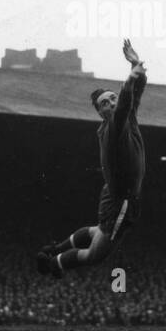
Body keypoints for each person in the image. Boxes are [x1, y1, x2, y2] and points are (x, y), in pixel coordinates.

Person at [37, 39, 147, 277]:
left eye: (112, 98)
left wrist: (136, 66)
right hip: (122, 200)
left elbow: (135, 94)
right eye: (104, 103)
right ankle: (53, 263)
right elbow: (128, 98)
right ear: (101, 112)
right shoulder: (114, 127)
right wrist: (130, 79)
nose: (110, 103)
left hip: (113, 192)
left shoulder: (126, 118)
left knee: (97, 231)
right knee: (96, 254)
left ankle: (55, 249)